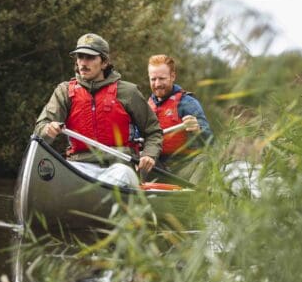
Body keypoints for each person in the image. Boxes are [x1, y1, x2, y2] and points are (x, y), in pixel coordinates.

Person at [34, 33, 162, 184]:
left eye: (90, 57)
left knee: (122, 175)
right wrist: (48, 130)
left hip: (119, 166)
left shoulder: (128, 92)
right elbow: (40, 130)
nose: (83, 63)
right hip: (79, 164)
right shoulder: (64, 91)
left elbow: (153, 131)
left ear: (104, 62)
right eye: (80, 57)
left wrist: (149, 155)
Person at [147, 54, 213, 183]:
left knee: (206, 159)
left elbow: (211, 143)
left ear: (172, 76)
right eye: (153, 79)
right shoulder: (147, 105)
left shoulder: (187, 103)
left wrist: (197, 129)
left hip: (182, 170)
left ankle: (191, 199)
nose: (157, 84)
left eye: (162, 78)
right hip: (157, 168)